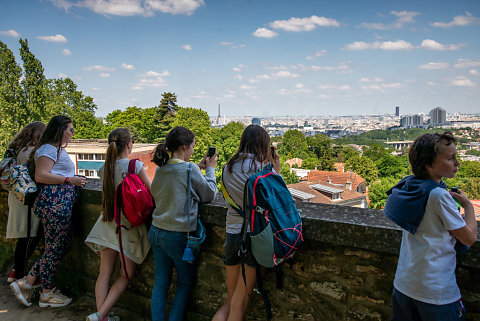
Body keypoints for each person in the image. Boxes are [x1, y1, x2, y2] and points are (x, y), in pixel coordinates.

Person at [384, 132, 477, 321]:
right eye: (451, 158)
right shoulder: (438, 196)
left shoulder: (408, 187)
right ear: (429, 164)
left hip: (404, 284)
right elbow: (469, 238)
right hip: (436, 292)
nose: (457, 163)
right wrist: (468, 207)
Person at [10, 115, 87, 308]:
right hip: (55, 202)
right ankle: (40, 290)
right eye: (70, 129)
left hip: (59, 202)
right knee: (55, 247)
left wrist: (70, 179)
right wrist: (70, 180)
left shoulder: (53, 149)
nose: (72, 132)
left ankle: (33, 285)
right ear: (60, 130)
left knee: (58, 246)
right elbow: (41, 175)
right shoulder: (48, 149)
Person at [149, 126, 217, 321]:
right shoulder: (189, 169)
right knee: (185, 283)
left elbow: (169, 181)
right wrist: (210, 169)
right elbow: (209, 194)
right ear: (185, 146)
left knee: (161, 282)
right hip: (177, 235)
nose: (194, 150)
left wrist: (198, 166)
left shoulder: (163, 168)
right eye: (193, 146)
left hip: (156, 231)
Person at [212, 124, 280, 321]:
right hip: (253, 238)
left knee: (229, 301)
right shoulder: (263, 170)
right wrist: (276, 171)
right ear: (263, 145)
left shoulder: (227, 168)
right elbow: (276, 203)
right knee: (239, 304)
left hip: (232, 236)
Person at [84, 128, 151, 321]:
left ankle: (101, 316)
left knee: (104, 273)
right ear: (130, 144)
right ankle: (100, 315)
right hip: (127, 227)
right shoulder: (134, 165)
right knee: (126, 274)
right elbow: (152, 191)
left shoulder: (103, 168)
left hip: (106, 223)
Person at [5, 121, 46, 284]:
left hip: (18, 196)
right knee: (29, 236)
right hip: (27, 199)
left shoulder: (18, 150)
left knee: (26, 237)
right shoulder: (30, 151)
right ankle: (20, 276)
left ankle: (16, 272)